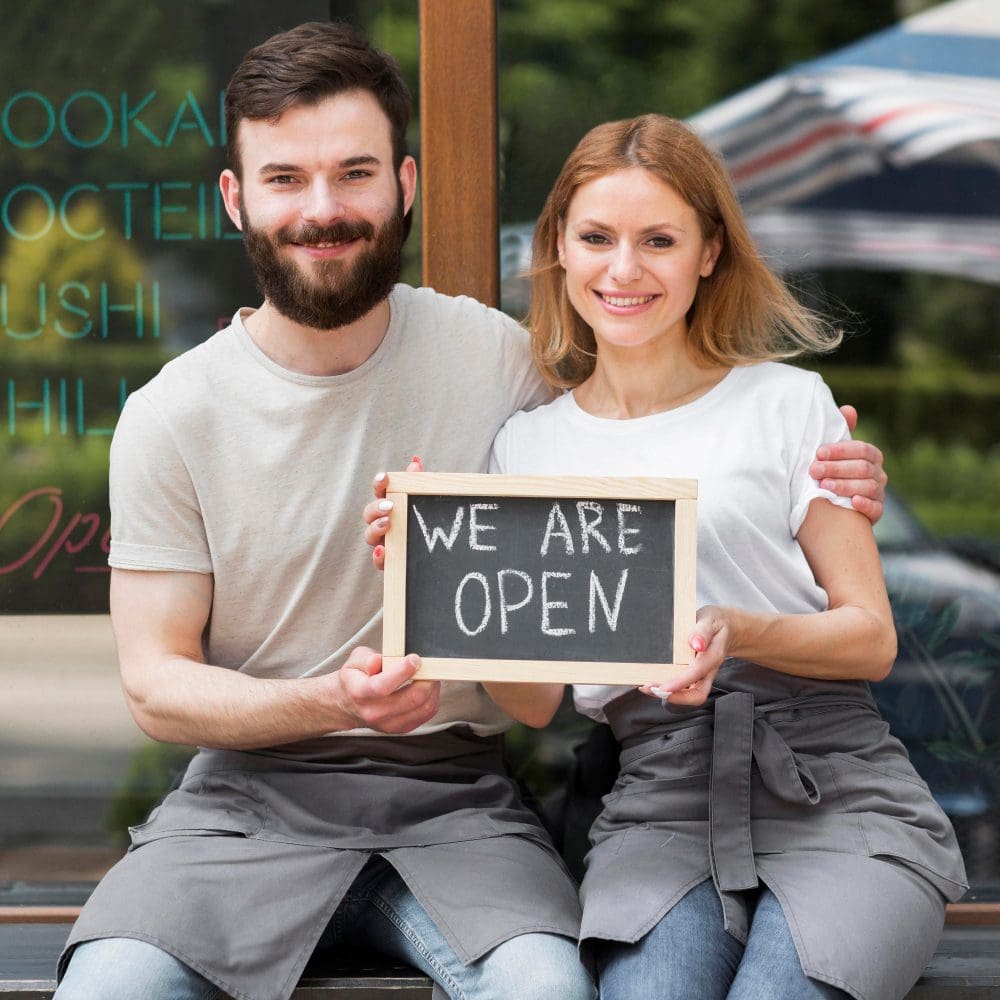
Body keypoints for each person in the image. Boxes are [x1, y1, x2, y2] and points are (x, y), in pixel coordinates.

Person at [55, 19, 887, 1000]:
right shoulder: (169, 415)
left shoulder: (501, 359)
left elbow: (647, 413)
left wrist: (820, 462)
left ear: (404, 183)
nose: (322, 208)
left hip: (461, 798)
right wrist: (331, 701)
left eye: (354, 172)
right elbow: (156, 685)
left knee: (548, 988)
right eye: (286, 178)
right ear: (236, 197)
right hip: (245, 800)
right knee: (111, 987)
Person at [368, 114, 967, 1000]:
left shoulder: (789, 404)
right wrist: (431, 571)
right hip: (661, 802)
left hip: (838, 789)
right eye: (598, 238)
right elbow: (534, 702)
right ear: (560, 251)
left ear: (709, 253)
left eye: (659, 240)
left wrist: (738, 628)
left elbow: (871, 637)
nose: (624, 270)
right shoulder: (527, 447)